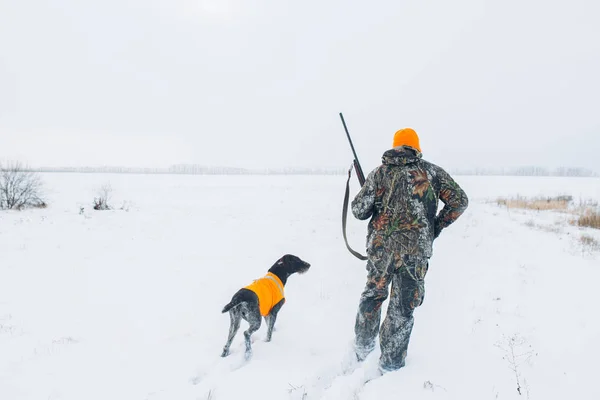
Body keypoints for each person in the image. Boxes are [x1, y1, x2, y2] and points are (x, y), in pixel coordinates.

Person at [351, 128, 468, 373]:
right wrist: (435, 226)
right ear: (416, 147)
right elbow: (459, 201)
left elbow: (358, 211)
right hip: (415, 253)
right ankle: (391, 365)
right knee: (402, 308)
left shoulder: (379, 173)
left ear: (395, 146)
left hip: (381, 252)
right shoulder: (432, 173)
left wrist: (372, 195)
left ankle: (362, 350)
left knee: (372, 297)